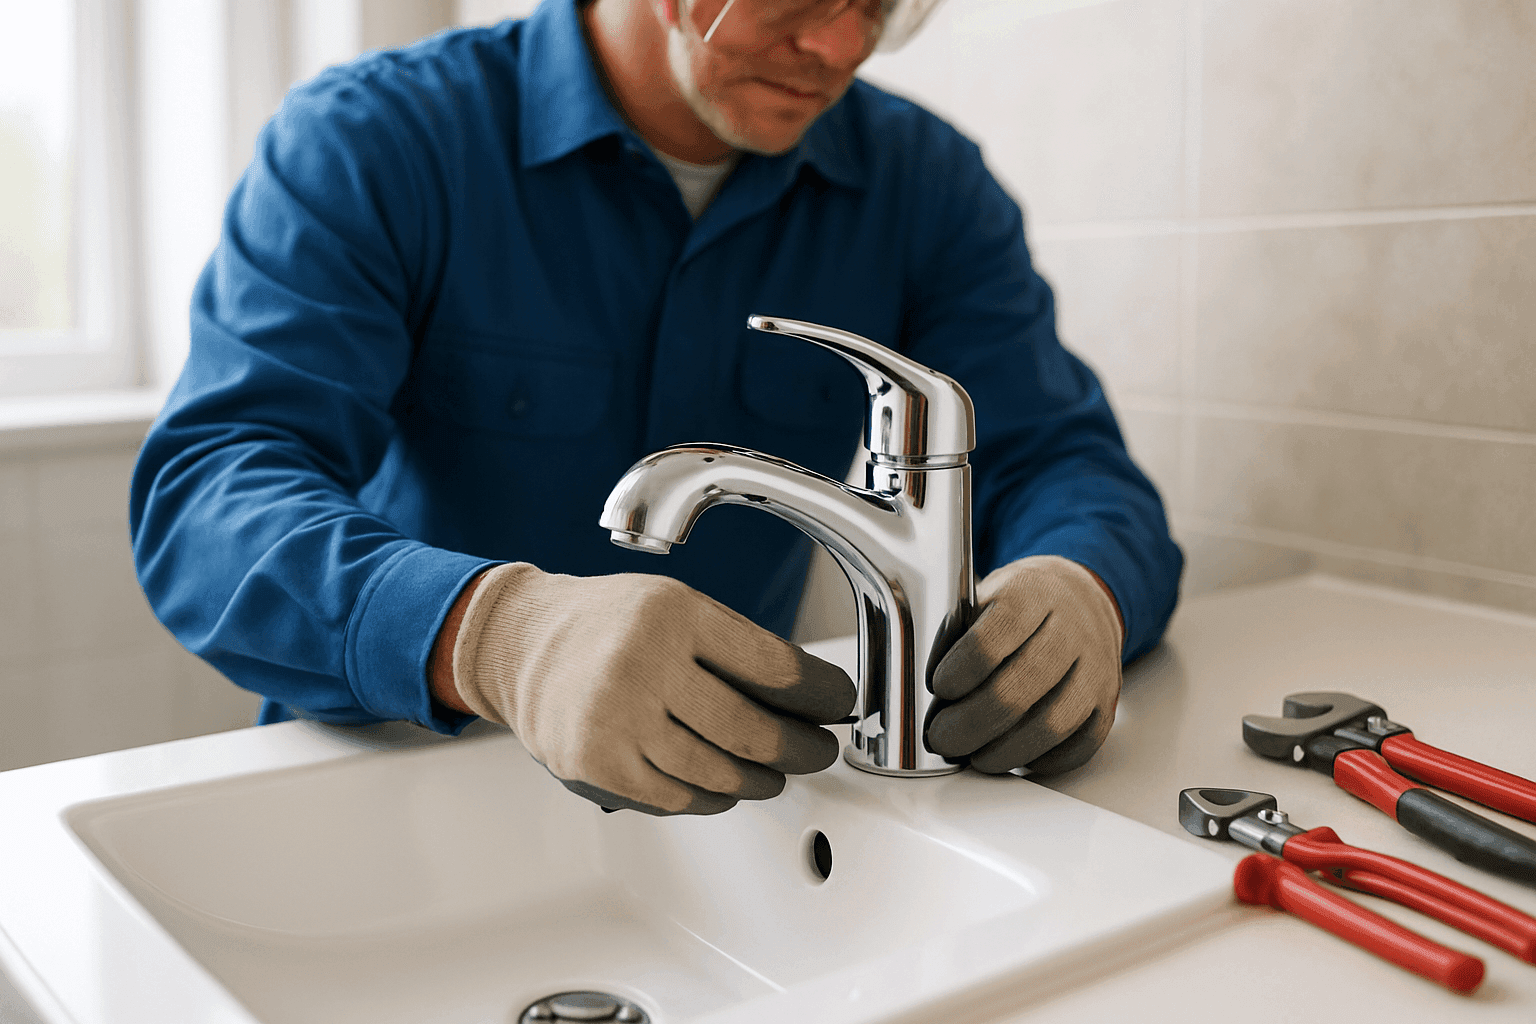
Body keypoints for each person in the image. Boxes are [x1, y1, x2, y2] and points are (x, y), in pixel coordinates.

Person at [129, 0, 1182, 816]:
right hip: (386, 783)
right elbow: (213, 490)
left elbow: (1063, 463)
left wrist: (1083, 582)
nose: (839, 46)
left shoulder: (928, 188)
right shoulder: (375, 140)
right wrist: (494, 636)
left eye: (884, 6)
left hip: (727, 793)